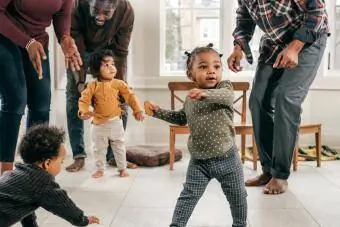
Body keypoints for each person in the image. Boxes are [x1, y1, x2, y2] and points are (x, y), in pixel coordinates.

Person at [228, 0, 329, 194]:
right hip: (274, 43)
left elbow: (317, 12)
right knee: (258, 101)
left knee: (286, 98)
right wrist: (238, 48)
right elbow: (245, 18)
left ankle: (280, 175)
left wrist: (294, 47)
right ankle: (268, 170)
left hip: (308, 40)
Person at [145, 44, 248, 227]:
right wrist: (157, 112)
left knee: (238, 195)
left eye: (216, 66)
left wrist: (205, 93)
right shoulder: (190, 99)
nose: (211, 71)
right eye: (203, 67)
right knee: (188, 196)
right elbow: (180, 118)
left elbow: (227, 97)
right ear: (190, 74)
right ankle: (176, 225)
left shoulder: (224, 88)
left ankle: (240, 224)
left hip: (228, 159)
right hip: (200, 162)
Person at [0, 0, 82, 174]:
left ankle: (33, 171)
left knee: (41, 103)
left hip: (37, 40)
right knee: (15, 100)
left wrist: (65, 38)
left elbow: (61, 14)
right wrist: (27, 43)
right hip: (5, 37)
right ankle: (5, 174)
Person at [65, 0, 137, 172]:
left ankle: (114, 156)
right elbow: (76, 51)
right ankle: (79, 156)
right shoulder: (76, 6)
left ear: (115, 6)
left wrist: (118, 85)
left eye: (106, 13)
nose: (100, 16)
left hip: (110, 49)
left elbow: (120, 52)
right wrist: (81, 83)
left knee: (121, 97)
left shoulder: (126, 11)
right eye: (96, 10)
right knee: (74, 96)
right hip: (80, 49)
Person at [0, 124, 100, 227]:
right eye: (61, 162)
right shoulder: (42, 181)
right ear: (47, 163)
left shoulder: (15, 175)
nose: (61, 165)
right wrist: (83, 220)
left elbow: (25, 207)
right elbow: (63, 205)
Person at [78, 49, 144, 178]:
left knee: (119, 146)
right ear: (97, 69)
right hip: (98, 124)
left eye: (112, 64)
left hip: (115, 122)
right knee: (98, 148)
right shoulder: (92, 85)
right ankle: (99, 169)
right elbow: (84, 100)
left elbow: (130, 96)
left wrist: (138, 110)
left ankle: (122, 168)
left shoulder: (118, 84)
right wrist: (84, 111)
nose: (111, 68)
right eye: (106, 65)